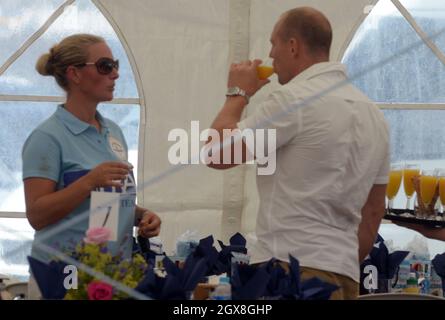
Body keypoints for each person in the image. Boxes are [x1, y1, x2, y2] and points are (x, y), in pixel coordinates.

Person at [206, 7, 390, 299]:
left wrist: (237, 94)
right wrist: (336, 261)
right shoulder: (374, 115)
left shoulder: (293, 99)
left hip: (289, 269)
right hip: (344, 273)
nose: (271, 55)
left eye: (273, 44)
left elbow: (215, 153)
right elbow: (374, 210)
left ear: (293, 46)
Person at [23, 34, 161, 298]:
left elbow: (101, 205)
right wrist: (89, 181)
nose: (116, 74)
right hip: (62, 275)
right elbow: (37, 215)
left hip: (109, 272)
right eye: (105, 66)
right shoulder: (47, 137)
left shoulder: (113, 132)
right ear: (75, 74)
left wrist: (140, 215)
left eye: (115, 65)